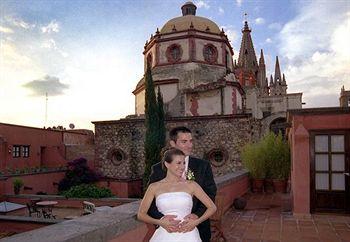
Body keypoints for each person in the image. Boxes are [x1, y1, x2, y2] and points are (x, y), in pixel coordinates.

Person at [147, 126, 217, 242]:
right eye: (184, 142)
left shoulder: (202, 166)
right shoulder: (158, 169)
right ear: (173, 143)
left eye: (191, 141)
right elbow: (150, 202)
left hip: (197, 228)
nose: (189, 145)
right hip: (167, 231)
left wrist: (196, 215)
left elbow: (210, 193)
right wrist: (161, 219)